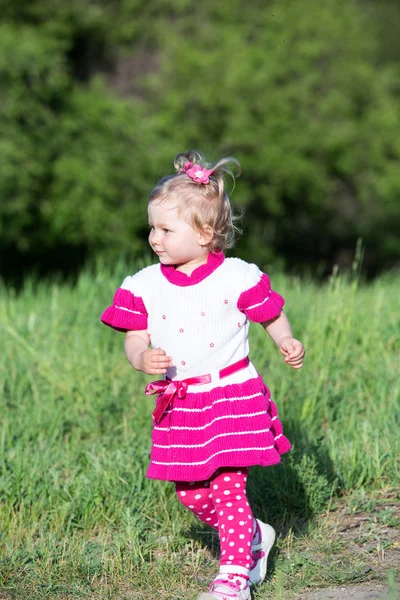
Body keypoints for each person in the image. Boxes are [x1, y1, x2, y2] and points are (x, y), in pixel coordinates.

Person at [101, 151, 305, 600]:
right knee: (192, 493)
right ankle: (254, 534)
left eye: (166, 229)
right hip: (181, 403)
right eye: (152, 227)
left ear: (206, 233)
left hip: (232, 395)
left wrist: (285, 340)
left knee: (228, 487)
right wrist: (141, 358)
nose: (155, 238)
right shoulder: (143, 284)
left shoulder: (236, 276)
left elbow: (271, 316)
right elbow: (134, 337)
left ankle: (232, 577)